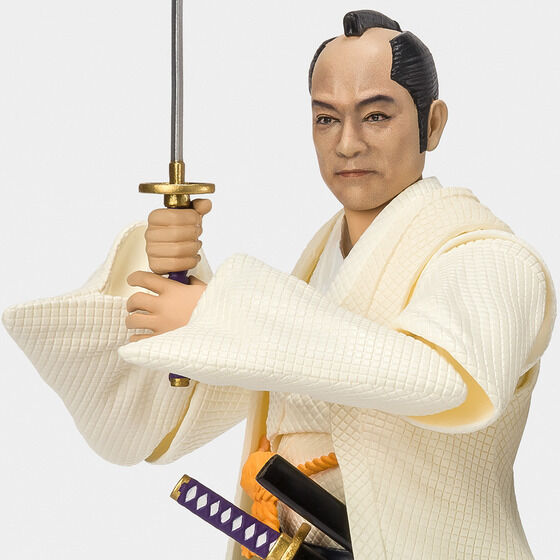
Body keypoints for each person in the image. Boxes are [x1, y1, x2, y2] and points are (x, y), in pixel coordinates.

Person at [3, 10, 556, 560]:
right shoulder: (317, 269)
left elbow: (438, 379)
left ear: (431, 124)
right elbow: (158, 421)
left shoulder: (489, 258)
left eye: (376, 115)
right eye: (326, 118)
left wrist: (214, 314)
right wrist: (168, 279)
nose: (348, 143)